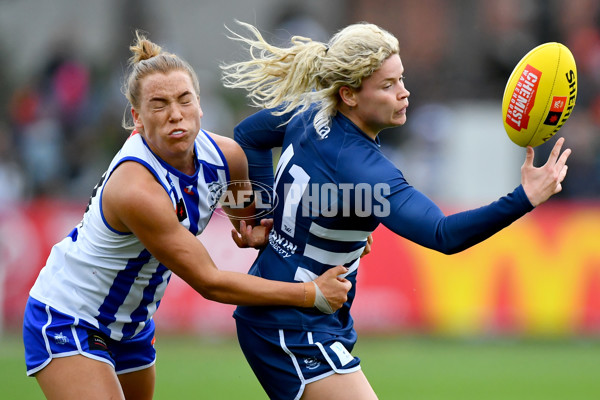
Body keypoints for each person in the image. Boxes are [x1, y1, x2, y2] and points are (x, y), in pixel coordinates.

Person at [221, 21, 572, 399]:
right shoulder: (363, 168)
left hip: (287, 313)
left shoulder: (310, 112)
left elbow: (248, 138)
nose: (404, 93)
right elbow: (443, 234)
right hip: (292, 325)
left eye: (401, 79)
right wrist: (525, 197)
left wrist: (255, 216)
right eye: (388, 85)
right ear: (349, 95)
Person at [21, 30, 353, 400]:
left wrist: (337, 223)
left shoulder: (226, 157)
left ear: (200, 105)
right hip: (69, 317)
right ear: (137, 118)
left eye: (184, 100)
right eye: (159, 104)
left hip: (132, 326)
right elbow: (209, 281)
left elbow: (253, 217)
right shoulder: (137, 190)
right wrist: (310, 293)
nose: (175, 115)